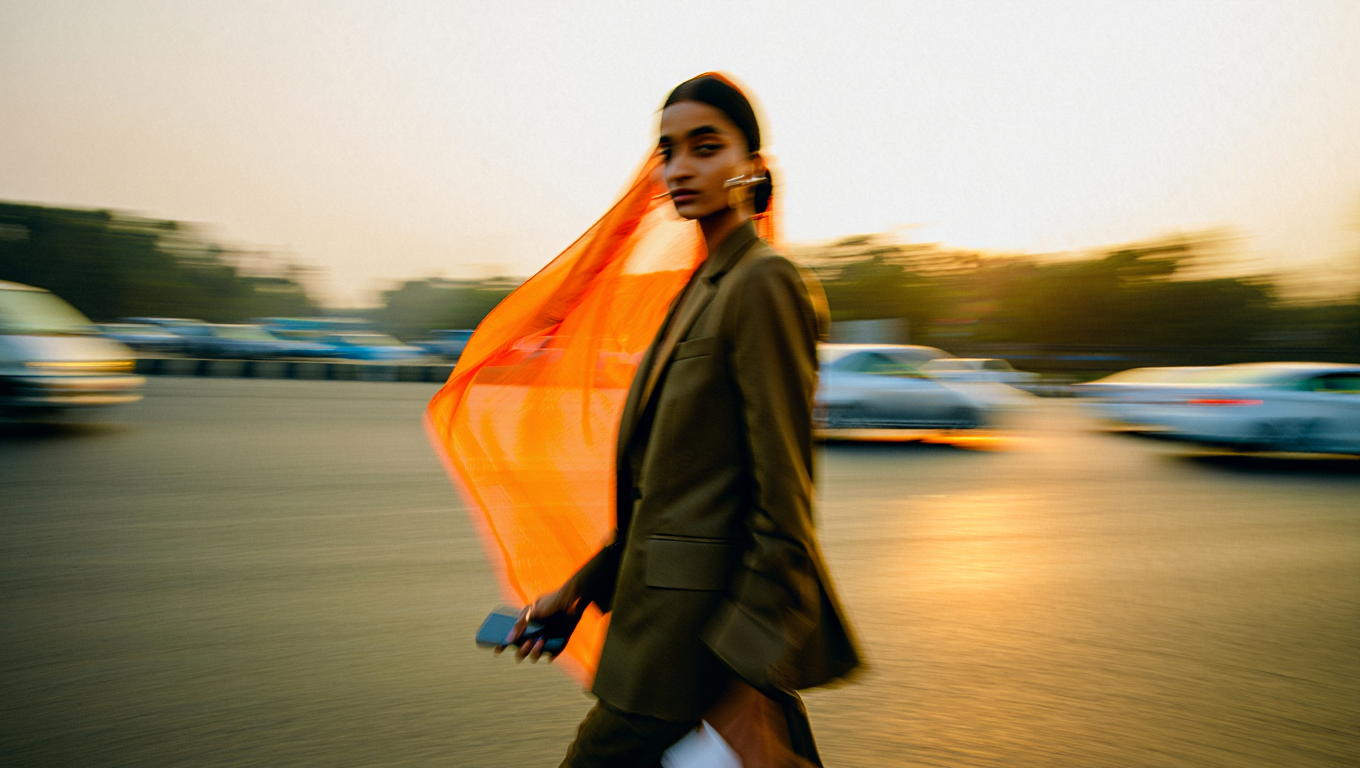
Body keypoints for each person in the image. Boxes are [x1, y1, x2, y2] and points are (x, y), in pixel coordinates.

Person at [503, 73, 862, 767]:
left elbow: (782, 502)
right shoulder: (698, 290)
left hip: (699, 653)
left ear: (751, 167)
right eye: (669, 151)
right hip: (663, 638)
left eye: (706, 146)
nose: (681, 167)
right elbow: (665, 498)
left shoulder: (764, 284)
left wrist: (745, 675)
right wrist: (575, 594)